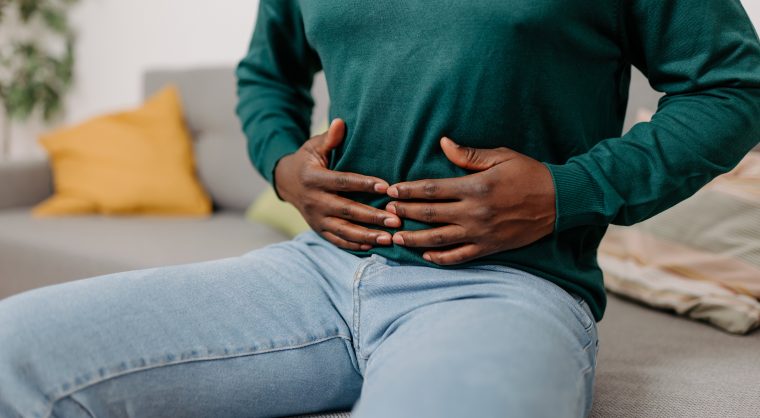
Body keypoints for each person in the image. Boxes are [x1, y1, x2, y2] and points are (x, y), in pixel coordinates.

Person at [2, 1, 759, 417]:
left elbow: (734, 86)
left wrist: (573, 191)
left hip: (503, 288)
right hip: (313, 276)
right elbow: (266, 74)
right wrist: (284, 168)